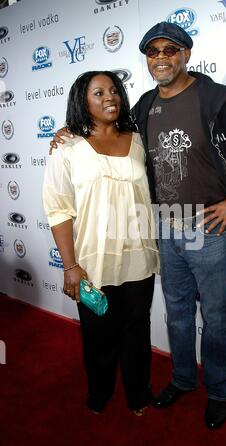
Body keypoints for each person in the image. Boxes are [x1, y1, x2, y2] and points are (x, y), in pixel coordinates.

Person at [49, 22, 226, 429]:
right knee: (176, 314)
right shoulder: (142, 107)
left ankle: (216, 391)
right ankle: (181, 379)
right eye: (153, 51)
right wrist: (72, 131)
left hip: (208, 227)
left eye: (170, 49)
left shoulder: (216, 99)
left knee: (214, 315)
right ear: (147, 59)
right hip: (162, 228)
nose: (161, 57)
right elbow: (110, 137)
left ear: (186, 55)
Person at [43, 71, 159, 416]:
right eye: (98, 92)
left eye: (113, 90)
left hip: (140, 256)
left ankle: (138, 395)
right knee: (98, 335)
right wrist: (70, 266)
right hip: (93, 261)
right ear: (83, 100)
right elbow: (58, 210)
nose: (109, 97)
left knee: (137, 331)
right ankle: (100, 393)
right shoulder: (66, 147)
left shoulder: (137, 139)